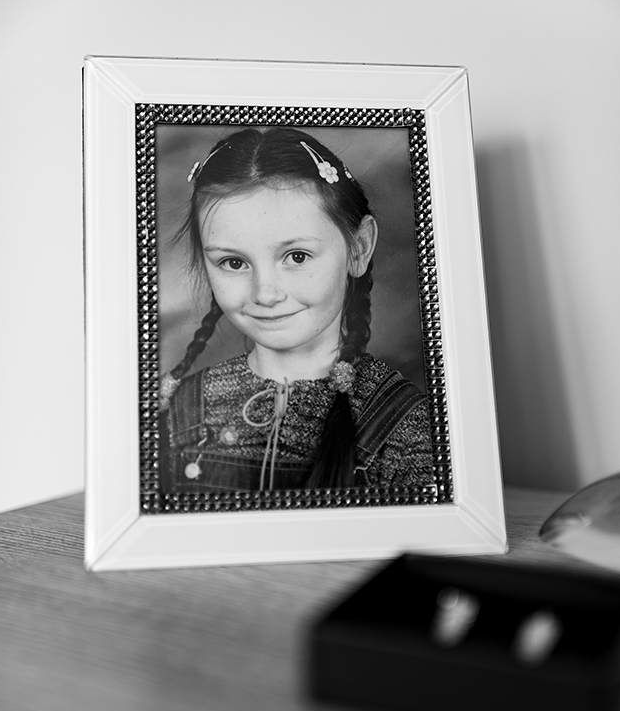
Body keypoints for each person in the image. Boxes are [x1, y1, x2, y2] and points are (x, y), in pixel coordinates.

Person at [158, 127, 433, 493]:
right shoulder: (179, 411)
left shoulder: (407, 427)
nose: (265, 293)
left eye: (297, 256)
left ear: (359, 247)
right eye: (233, 263)